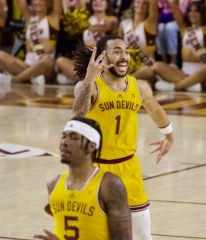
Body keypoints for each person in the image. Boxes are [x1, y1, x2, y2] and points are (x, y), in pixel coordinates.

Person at [72, 35, 174, 240]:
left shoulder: (139, 86)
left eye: (126, 52)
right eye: (117, 51)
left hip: (129, 168)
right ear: (103, 56)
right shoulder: (88, 86)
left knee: (143, 235)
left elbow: (154, 109)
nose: (124, 57)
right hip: (96, 170)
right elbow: (77, 114)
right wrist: (89, 79)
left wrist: (169, 135)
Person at [34, 116, 132, 240]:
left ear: (91, 147)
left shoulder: (109, 185)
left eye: (74, 138)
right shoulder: (53, 184)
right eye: (64, 136)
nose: (64, 142)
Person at [0, 0, 62, 85]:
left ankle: (15, 80)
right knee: (0, 55)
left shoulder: (53, 19)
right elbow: (21, 2)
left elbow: (58, 2)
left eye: (41, 0)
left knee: (47, 60)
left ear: (48, 2)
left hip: (45, 69)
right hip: (26, 65)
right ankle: (31, 77)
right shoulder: (29, 19)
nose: (37, 2)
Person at [153, 0, 206, 92]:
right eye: (190, 11)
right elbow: (174, 6)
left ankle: (175, 87)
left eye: (196, 11)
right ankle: (189, 85)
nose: (192, 14)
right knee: (157, 65)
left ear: (202, 13)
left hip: (203, 75)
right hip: (184, 74)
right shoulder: (185, 29)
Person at [55, 0, 118, 85]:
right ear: (91, 4)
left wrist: (85, 25)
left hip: (104, 61)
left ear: (107, 4)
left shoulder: (111, 19)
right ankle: (89, 80)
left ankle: (81, 79)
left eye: (102, 0)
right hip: (87, 61)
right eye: (95, 0)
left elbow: (105, 27)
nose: (97, 2)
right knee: (60, 61)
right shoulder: (84, 19)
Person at [118, 0, 158, 84]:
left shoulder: (150, 23)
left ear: (148, 8)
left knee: (148, 73)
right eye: (138, 2)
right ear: (133, 5)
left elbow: (154, 3)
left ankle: (124, 81)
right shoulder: (124, 24)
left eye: (144, 3)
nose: (141, 5)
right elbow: (118, 46)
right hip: (128, 64)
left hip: (145, 64)